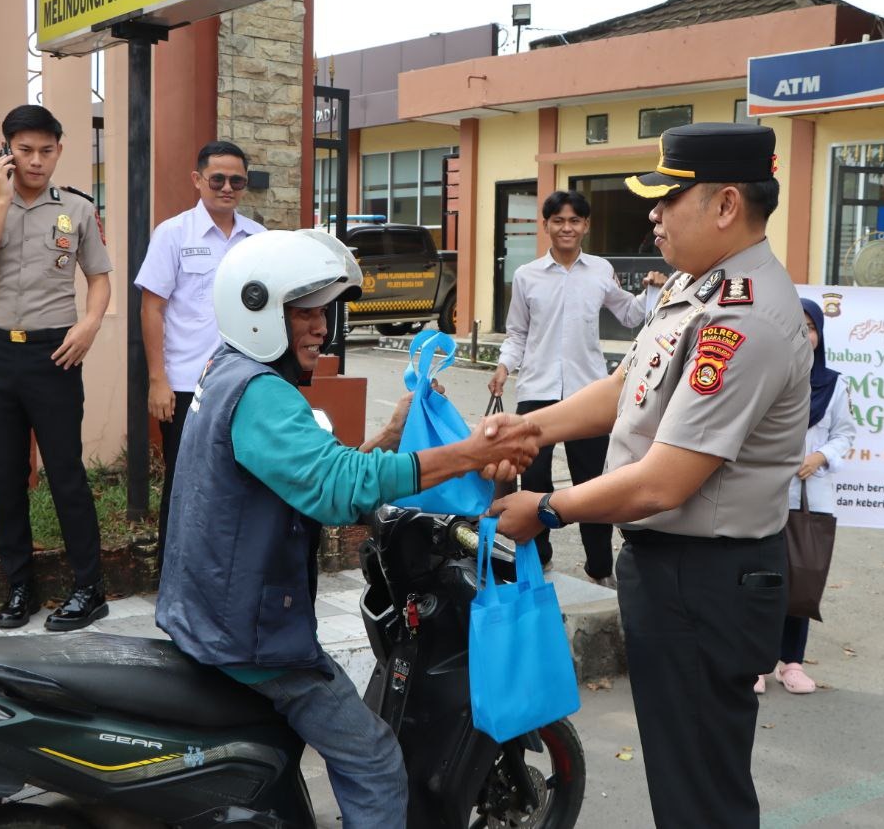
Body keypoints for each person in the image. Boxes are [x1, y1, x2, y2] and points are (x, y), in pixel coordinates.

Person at [155, 230, 540, 829]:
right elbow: (339, 488)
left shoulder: (225, 370)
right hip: (252, 638)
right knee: (375, 758)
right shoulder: (261, 394)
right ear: (257, 309)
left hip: (206, 610)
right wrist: (468, 454)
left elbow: (303, 478)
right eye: (304, 312)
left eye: (323, 312)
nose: (320, 328)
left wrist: (388, 438)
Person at [491, 123, 811, 828]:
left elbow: (666, 480)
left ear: (725, 205)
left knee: (700, 792)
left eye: (668, 197)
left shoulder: (747, 316)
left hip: (704, 578)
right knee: (683, 773)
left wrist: (547, 507)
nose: (653, 214)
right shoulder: (697, 289)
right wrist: (529, 427)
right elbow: (624, 385)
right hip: (676, 572)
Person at [0, 105, 112, 631]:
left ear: (59, 151)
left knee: (66, 474)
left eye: (46, 150)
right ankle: (19, 586)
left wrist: (89, 324)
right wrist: (1, 200)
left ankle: (89, 588)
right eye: (25, 150)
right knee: (5, 475)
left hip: (54, 355)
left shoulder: (78, 210)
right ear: (7, 151)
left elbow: (98, 276)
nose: (36, 160)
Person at [489, 190, 664, 583]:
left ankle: (600, 568)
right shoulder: (526, 276)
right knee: (533, 481)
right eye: (558, 221)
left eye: (574, 221)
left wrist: (653, 290)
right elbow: (517, 332)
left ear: (585, 226)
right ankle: (539, 557)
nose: (566, 228)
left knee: (593, 484)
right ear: (546, 225)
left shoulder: (600, 270)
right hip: (536, 390)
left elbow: (631, 313)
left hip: (589, 394)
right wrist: (503, 367)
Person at [134, 140, 265, 568]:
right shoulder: (173, 234)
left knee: (241, 478)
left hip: (245, 384)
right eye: (218, 179)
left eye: (237, 181)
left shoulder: (257, 239)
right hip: (189, 384)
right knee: (185, 482)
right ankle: (174, 575)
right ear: (198, 180)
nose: (227, 188)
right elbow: (152, 308)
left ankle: (226, 571)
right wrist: (158, 380)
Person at [756, 298, 856, 696]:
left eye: (810, 327)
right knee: (760, 580)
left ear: (819, 335)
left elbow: (845, 434)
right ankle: (757, 662)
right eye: (795, 326)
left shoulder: (833, 385)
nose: (803, 334)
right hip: (762, 495)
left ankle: (791, 663)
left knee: (801, 579)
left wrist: (820, 457)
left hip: (809, 500)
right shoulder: (763, 377)